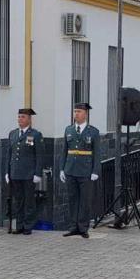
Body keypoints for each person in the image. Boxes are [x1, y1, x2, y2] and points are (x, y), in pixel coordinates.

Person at [60, 102, 100, 238]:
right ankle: (73, 227)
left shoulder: (93, 131)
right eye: (75, 111)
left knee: (85, 201)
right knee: (73, 199)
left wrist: (95, 171)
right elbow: (64, 151)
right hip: (70, 169)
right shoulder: (69, 130)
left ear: (85, 114)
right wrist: (62, 169)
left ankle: (83, 228)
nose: (76, 114)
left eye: (79, 111)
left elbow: (97, 153)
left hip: (85, 170)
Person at [5, 108, 42, 235]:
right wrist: (7, 172)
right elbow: (9, 154)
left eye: (23, 117)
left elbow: (39, 155)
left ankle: (28, 226)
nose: (20, 119)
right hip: (15, 173)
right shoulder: (13, 134)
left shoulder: (35, 134)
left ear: (29, 119)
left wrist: (37, 173)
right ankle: (19, 225)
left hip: (28, 174)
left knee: (29, 201)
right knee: (18, 201)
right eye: (19, 116)